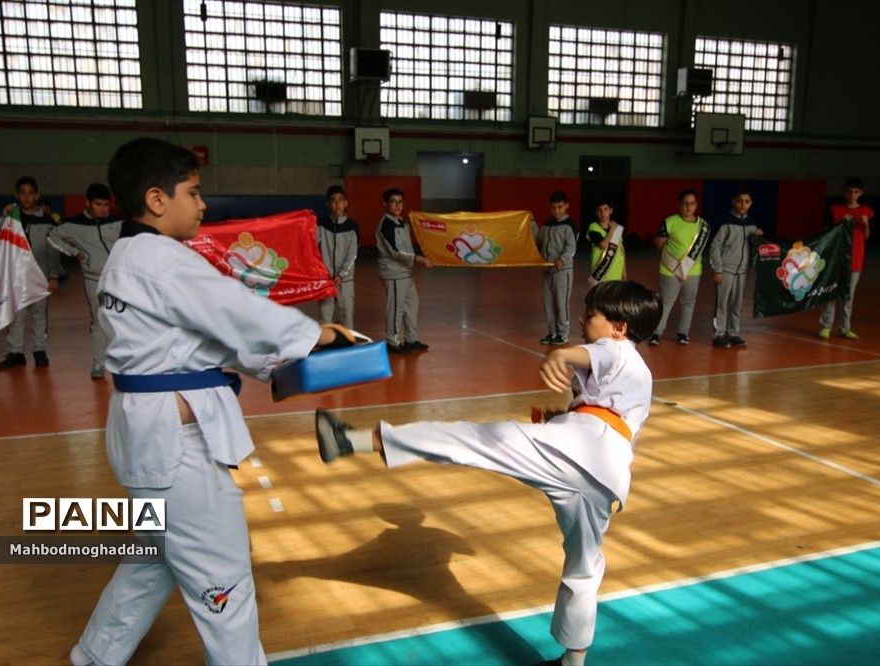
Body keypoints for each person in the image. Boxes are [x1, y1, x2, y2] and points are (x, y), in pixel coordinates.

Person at [69, 138, 346, 666]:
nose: (202, 206)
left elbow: (197, 337)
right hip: (176, 448)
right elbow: (237, 309)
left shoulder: (126, 256)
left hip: (145, 436)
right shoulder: (164, 261)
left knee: (154, 558)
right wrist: (316, 336)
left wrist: (273, 361)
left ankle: (95, 654)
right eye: (193, 193)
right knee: (223, 579)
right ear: (156, 199)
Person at [314, 279, 663, 666]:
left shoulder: (617, 350)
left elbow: (591, 354)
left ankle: (353, 442)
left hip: (575, 452)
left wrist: (561, 356)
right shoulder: (638, 375)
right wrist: (568, 416)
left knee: (469, 439)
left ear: (620, 328)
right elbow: (610, 416)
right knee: (585, 567)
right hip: (604, 477)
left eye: (592, 314)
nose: (583, 318)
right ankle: (573, 662)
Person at [46, 183, 124, 378]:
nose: (103, 209)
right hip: (93, 279)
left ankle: (122, 364)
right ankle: (98, 364)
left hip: (118, 279)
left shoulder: (118, 223)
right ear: (88, 202)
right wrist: (76, 253)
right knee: (98, 319)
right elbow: (51, 236)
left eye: (106, 205)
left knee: (121, 319)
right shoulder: (74, 225)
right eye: (98, 204)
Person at [0, 176, 60, 370]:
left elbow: (53, 251)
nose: (27, 197)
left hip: (40, 275)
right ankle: (16, 352)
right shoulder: (11, 218)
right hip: (15, 276)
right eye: (22, 193)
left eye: (30, 193)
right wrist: (3, 217)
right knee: (15, 314)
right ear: (17, 195)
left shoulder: (47, 220)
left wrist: (54, 276)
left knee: (39, 314)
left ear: (37, 195)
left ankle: (40, 351)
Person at [648, 188, 710, 346]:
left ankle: (683, 333)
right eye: (685, 203)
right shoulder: (670, 222)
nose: (688, 207)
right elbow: (659, 243)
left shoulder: (703, 227)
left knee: (688, 302)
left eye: (692, 203)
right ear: (679, 204)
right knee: (666, 302)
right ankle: (656, 333)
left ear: (696, 205)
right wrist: (672, 263)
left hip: (693, 272)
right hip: (669, 271)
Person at [375, 187, 433, 353]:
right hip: (393, 273)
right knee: (395, 308)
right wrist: (420, 259)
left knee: (412, 304)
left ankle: (411, 339)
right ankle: (393, 342)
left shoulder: (402, 223)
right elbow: (396, 252)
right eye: (393, 202)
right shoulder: (386, 224)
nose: (397, 205)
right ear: (385, 204)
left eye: (400, 202)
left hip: (406, 272)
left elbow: (407, 247)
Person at [708, 189, 764, 348]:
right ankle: (718, 334)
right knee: (722, 302)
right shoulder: (726, 222)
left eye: (747, 201)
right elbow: (715, 246)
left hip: (742, 271)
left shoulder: (752, 225)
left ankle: (733, 332)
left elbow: (754, 247)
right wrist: (718, 269)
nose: (743, 205)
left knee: (737, 303)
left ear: (751, 203)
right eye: (740, 201)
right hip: (726, 269)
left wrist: (759, 236)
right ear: (733, 202)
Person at [819, 177, 873, 340]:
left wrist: (866, 225)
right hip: (837, 259)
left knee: (848, 295)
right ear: (844, 192)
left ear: (861, 193)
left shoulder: (866, 211)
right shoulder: (835, 210)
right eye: (849, 191)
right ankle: (826, 326)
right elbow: (826, 234)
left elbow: (867, 236)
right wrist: (840, 224)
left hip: (855, 259)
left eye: (856, 192)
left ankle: (845, 328)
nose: (852, 195)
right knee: (832, 293)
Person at [535, 190, 577, 345]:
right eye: (554, 207)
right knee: (548, 303)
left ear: (566, 206)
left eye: (560, 207)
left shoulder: (569, 226)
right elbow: (538, 242)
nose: (557, 211)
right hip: (546, 270)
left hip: (562, 271)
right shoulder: (546, 225)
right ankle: (552, 332)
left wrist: (562, 259)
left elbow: (571, 247)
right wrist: (531, 224)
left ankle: (563, 333)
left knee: (561, 302)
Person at [317, 185, 360, 329]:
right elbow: (313, 249)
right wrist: (322, 273)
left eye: (341, 200)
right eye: (333, 201)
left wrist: (341, 275)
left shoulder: (352, 227)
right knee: (325, 318)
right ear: (328, 204)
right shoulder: (320, 225)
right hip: (326, 280)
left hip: (345, 281)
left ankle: (347, 347)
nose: (337, 204)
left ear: (346, 203)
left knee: (347, 316)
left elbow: (352, 254)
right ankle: (326, 347)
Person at [585, 199, 627, 287]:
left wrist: (624, 271)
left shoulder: (618, 229)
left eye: (605, 209)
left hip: (616, 272)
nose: (603, 213)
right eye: (600, 210)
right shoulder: (593, 228)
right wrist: (612, 230)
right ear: (596, 212)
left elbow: (621, 250)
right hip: (600, 272)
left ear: (611, 211)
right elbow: (603, 245)